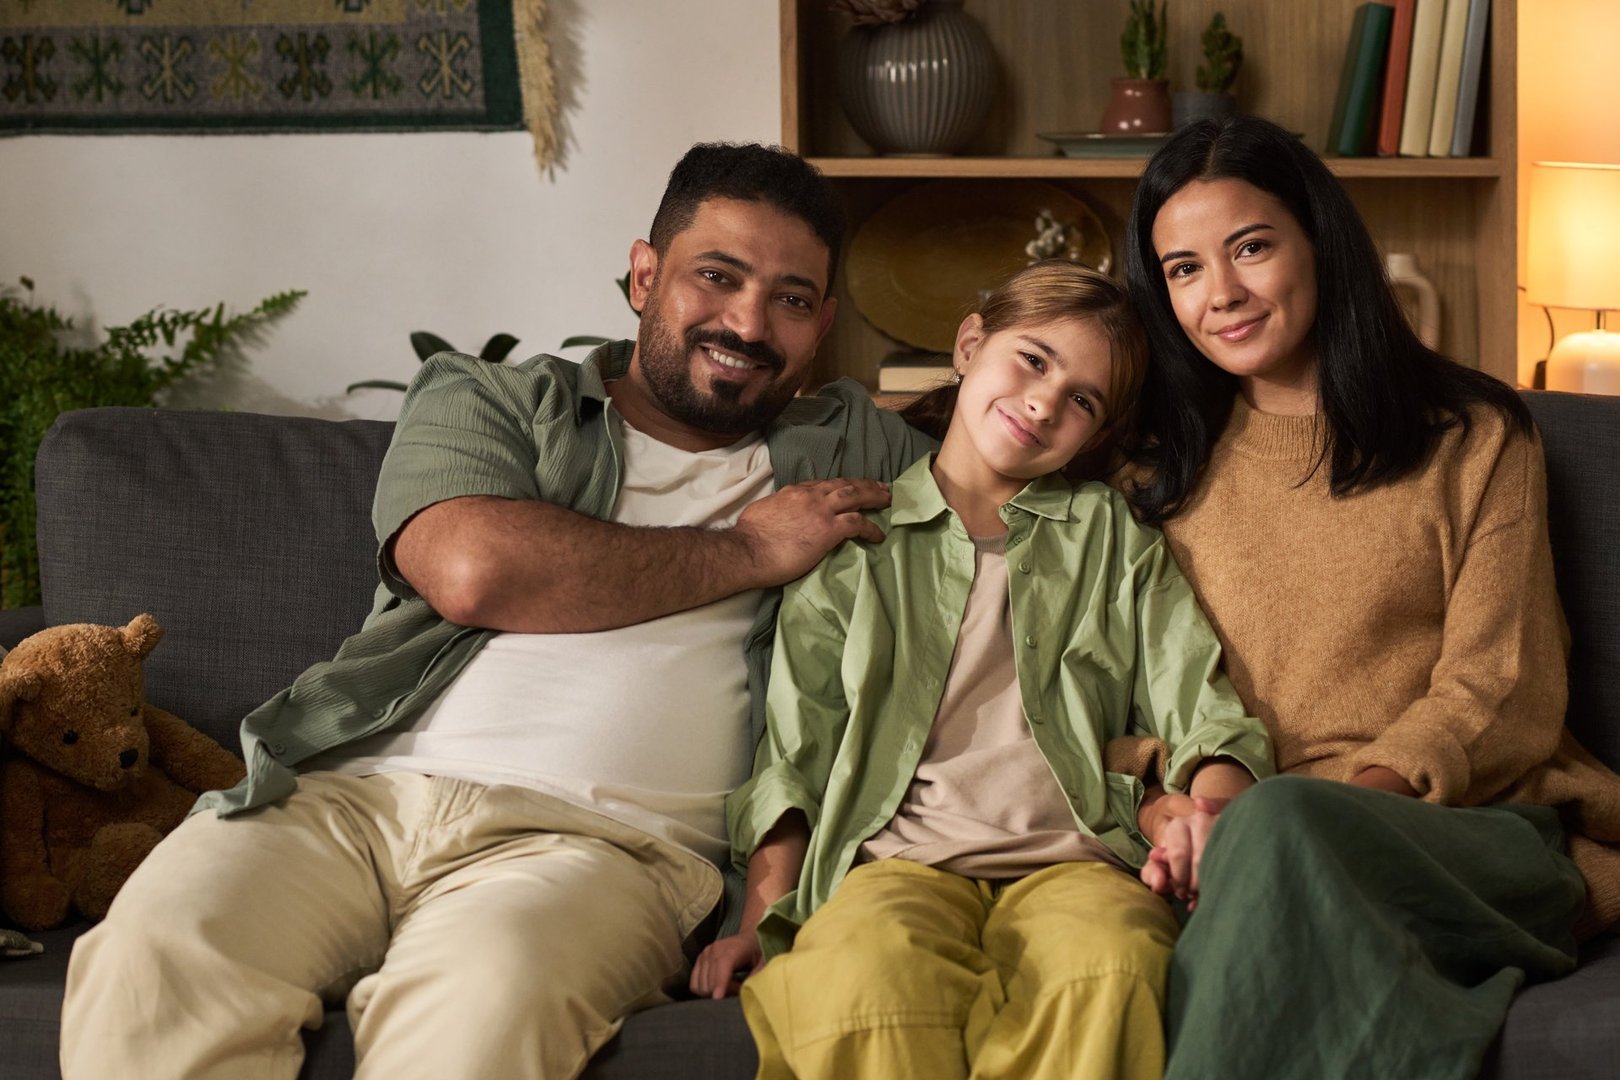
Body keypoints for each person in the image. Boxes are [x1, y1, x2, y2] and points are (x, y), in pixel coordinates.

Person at [59, 142, 938, 1080]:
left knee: (483, 1010)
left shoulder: (848, 448)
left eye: (792, 299)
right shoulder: (497, 400)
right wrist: (752, 551)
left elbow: (1026, 463)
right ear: (644, 276)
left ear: (826, 321)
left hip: (603, 852)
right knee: (151, 959)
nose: (749, 323)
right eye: (716, 277)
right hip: (348, 805)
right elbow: (473, 569)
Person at [1121, 114, 1620, 1080]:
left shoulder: (1473, 438)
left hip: (1466, 837)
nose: (1220, 293)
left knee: (1279, 832)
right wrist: (1171, 813)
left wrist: (1318, 814)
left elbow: (1501, 688)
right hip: (1233, 845)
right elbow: (1117, 701)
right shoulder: (1154, 476)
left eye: (1251, 248)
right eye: (1183, 269)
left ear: (1319, 239)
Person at [688, 261, 1275, 1080]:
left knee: (1111, 969)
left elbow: (1201, 705)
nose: (1043, 403)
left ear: (1097, 434)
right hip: (894, 864)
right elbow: (795, 759)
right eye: (1033, 360)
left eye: (1082, 400)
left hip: (1077, 859)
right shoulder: (855, 544)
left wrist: (1214, 823)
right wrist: (756, 919)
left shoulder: (1111, 538)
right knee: (860, 987)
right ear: (970, 344)